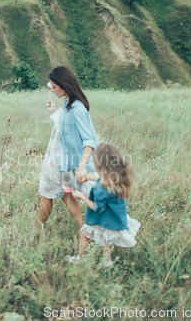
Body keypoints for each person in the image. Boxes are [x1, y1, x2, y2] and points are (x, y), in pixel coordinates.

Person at [38, 66, 99, 230]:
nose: (53, 90)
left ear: (64, 85)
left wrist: (82, 166)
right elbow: (65, 126)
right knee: (66, 194)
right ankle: (84, 230)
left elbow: (89, 141)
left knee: (48, 194)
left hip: (63, 162)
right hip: (61, 161)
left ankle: (37, 229)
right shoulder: (68, 105)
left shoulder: (77, 108)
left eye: (55, 86)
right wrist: (54, 111)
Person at [66, 143, 141, 268]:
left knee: (85, 232)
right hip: (113, 218)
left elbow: (97, 207)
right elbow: (99, 176)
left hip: (104, 219)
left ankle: (81, 259)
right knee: (101, 236)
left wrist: (81, 197)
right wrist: (88, 177)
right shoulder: (116, 177)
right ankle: (107, 262)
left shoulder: (101, 189)